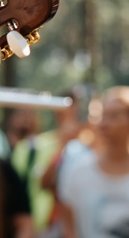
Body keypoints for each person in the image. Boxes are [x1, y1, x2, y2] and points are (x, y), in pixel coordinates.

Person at [58, 86, 129, 238]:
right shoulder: (78, 171)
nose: (104, 124)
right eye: (103, 116)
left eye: (114, 116)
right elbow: (69, 227)